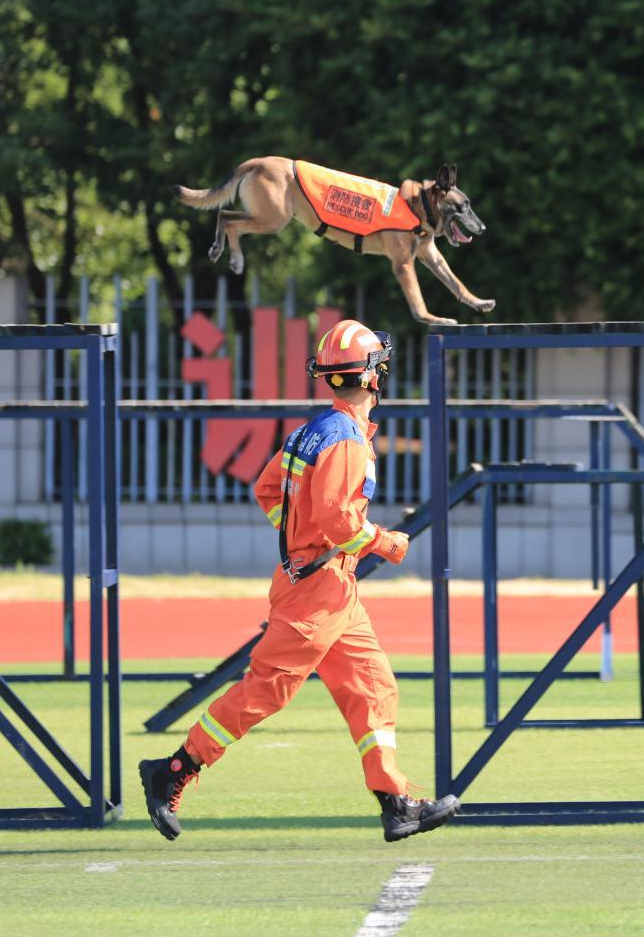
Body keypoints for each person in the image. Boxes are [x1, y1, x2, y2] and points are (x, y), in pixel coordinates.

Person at [139, 319, 459, 842]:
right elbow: (339, 521)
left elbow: (268, 491)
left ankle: (396, 803)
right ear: (373, 376)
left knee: (373, 687)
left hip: (327, 586)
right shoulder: (346, 441)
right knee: (265, 692)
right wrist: (385, 542)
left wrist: (299, 540)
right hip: (316, 591)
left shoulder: (312, 431)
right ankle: (175, 769)